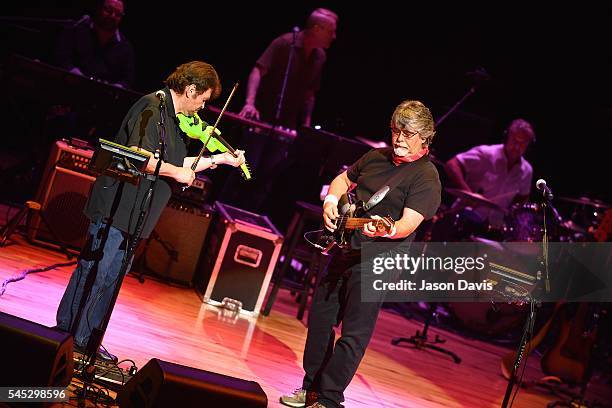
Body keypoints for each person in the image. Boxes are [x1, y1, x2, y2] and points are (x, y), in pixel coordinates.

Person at [55, 61, 245, 358]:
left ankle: (84, 336)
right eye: (203, 100)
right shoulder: (151, 106)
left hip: (136, 212)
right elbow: (138, 157)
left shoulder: (173, 118)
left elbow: (177, 166)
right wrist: (175, 172)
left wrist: (219, 159)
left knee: (111, 276)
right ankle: (75, 336)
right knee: (99, 272)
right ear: (191, 89)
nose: (202, 108)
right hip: (118, 205)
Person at [280, 100, 441, 408]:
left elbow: (408, 223)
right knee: (319, 320)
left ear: (424, 137)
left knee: (354, 333)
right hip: (345, 249)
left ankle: (328, 399)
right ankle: (311, 389)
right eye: (396, 131)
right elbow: (342, 179)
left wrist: (386, 229)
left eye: (407, 134)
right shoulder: (376, 157)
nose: (398, 140)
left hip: (380, 261)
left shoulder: (425, 175)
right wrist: (331, 202)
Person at [239, 7, 338, 129]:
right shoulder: (285, 43)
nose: (334, 36)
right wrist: (250, 104)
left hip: (288, 124)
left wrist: (306, 124)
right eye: (331, 31)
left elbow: (310, 94)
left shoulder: (320, 56)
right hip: (260, 117)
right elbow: (258, 71)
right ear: (317, 29)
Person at [445, 118, 535, 231]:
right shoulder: (486, 154)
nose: (517, 147)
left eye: (522, 144)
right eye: (515, 141)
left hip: (493, 229)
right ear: (507, 137)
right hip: (463, 219)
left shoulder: (527, 171)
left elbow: (522, 199)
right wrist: (468, 194)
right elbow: (452, 165)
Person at [53, 0, 135, 89]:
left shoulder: (125, 47)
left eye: (118, 14)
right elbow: (62, 58)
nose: (112, 16)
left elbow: (127, 79)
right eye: (108, 10)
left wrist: (115, 87)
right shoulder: (77, 30)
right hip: (70, 87)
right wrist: (76, 75)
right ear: (99, 9)